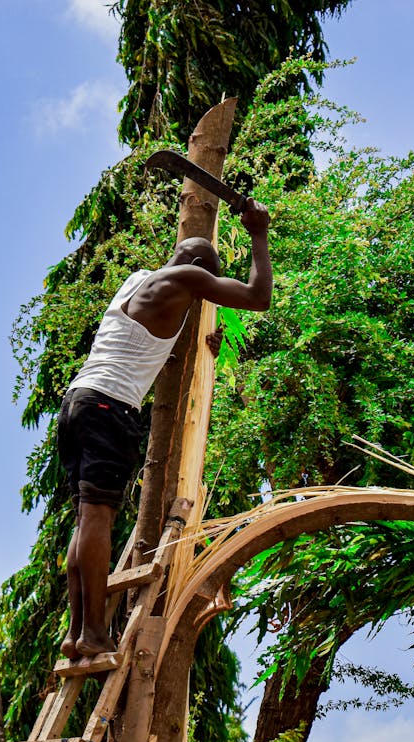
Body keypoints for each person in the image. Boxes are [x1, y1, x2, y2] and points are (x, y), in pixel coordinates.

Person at [57, 199, 272, 658]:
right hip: (108, 406)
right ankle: (94, 631)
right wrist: (258, 232)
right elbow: (258, 297)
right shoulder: (188, 278)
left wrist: (214, 343)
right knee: (98, 518)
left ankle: (78, 632)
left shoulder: (136, 282)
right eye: (207, 281)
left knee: (84, 518)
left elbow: (152, 344)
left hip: (77, 401)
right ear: (197, 268)